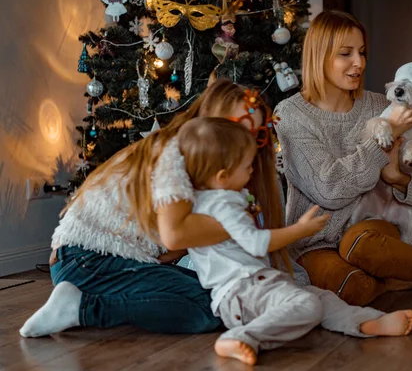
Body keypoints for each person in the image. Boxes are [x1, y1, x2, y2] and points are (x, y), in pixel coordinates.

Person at [19, 79, 292, 337]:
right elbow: (176, 235)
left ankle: (93, 298)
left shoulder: (203, 165)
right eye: (236, 126)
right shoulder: (173, 153)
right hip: (86, 261)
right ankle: (84, 308)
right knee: (218, 309)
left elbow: (171, 246)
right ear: (210, 120)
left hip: (109, 260)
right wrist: (241, 223)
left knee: (226, 295)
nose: (243, 141)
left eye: (255, 135)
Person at [274, 10, 412, 306]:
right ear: (319, 55)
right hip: (315, 242)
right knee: (352, 288)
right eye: (346, 53)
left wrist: (398, 179)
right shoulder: (291, 114)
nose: (359, 63)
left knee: (361, 245)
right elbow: (329, 189)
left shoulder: (383, 105)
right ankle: (398, 278)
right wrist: (388, 133)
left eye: (362, 52)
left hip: (369, 232)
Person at [180, 116, 412, 366]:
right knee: (307, 304)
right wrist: (300, 230)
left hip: (258, 285)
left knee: (320, 297)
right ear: (222, 176)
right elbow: (256, 244)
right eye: (246, 166)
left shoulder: (220, 198)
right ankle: (241, 337)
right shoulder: (221, 204)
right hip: (243, 292)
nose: (252, 171)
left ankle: (364, 322)